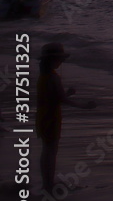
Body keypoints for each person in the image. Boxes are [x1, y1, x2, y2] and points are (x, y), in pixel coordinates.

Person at [37, 43, 96, 192]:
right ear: (53, 60)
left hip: (43, 116)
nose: (61, 62)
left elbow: (54, 97)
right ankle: (49, 184)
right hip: (51, 118)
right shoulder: (53, 77)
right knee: (51, 151)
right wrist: (84, 106)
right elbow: (62, 100)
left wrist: (67, 93)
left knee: (47, 150)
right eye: (59, 59)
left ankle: (47, 182)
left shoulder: (43, 77)